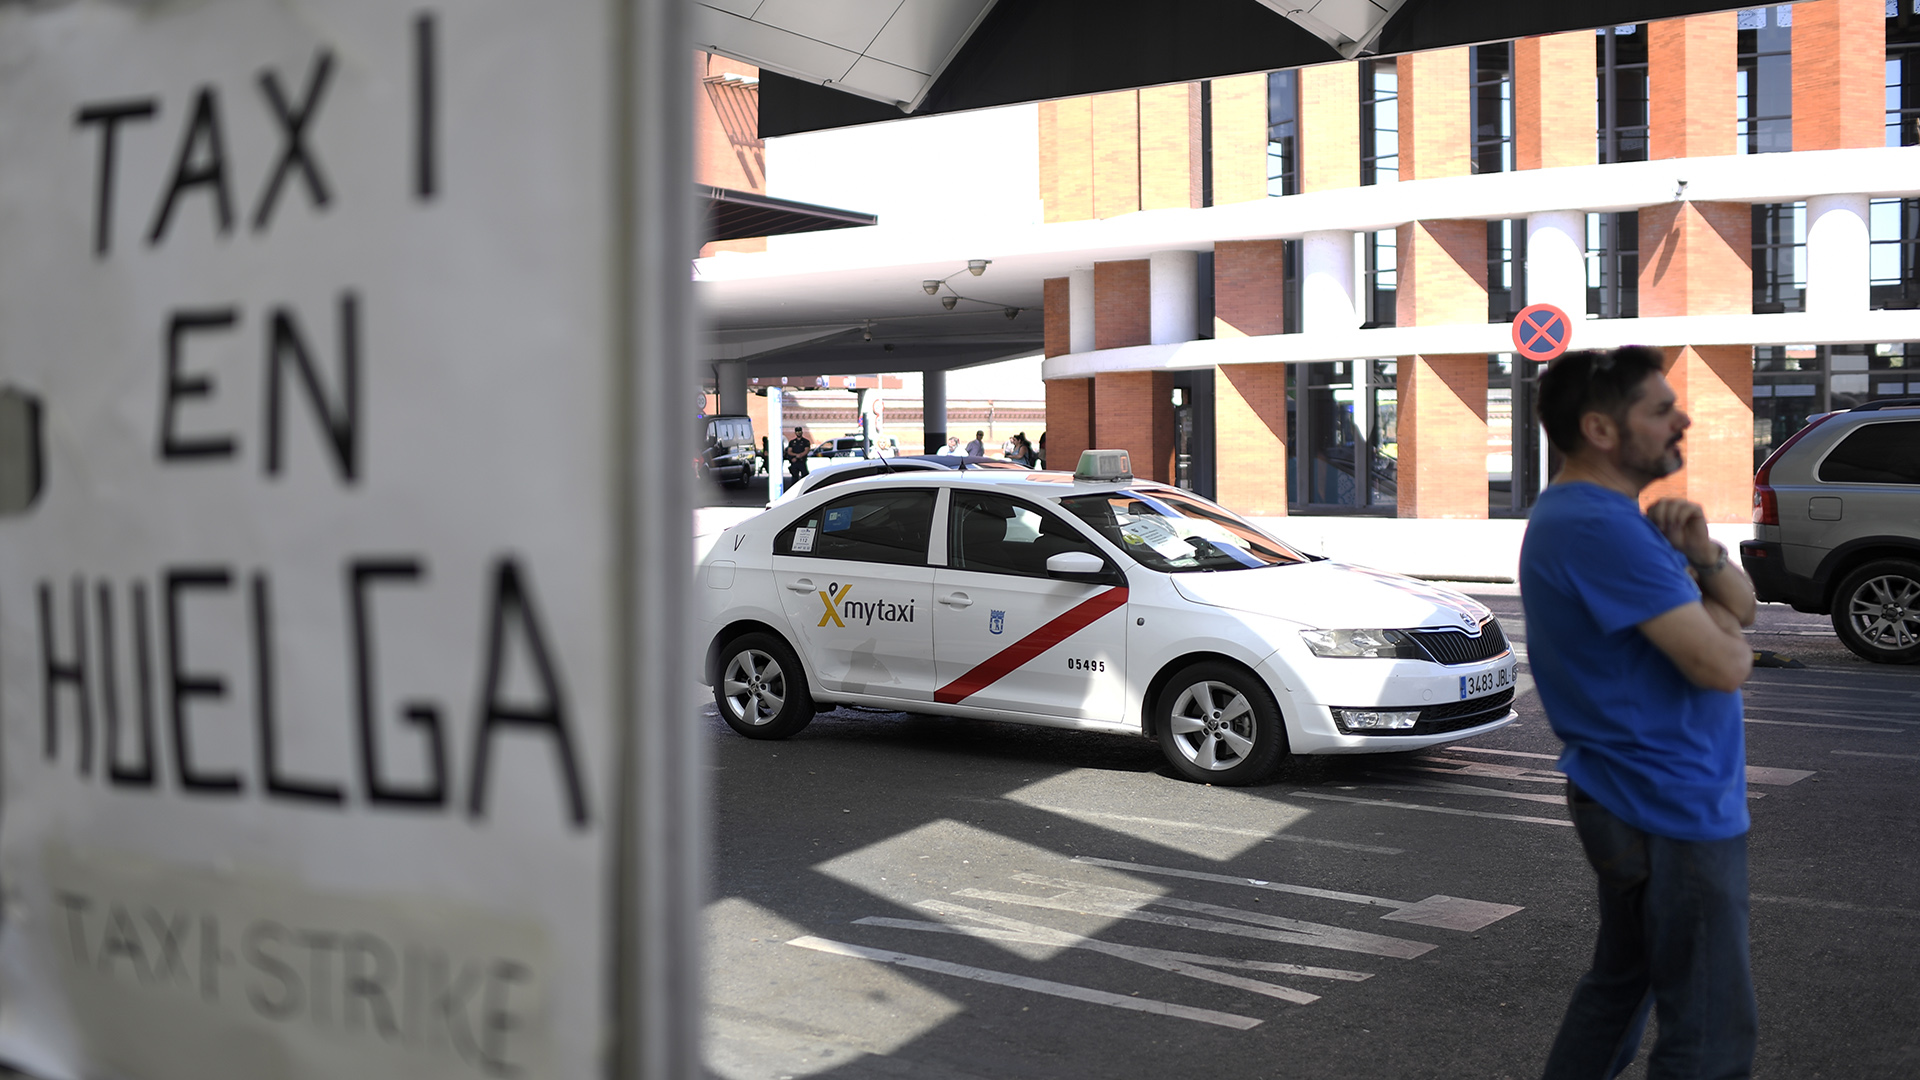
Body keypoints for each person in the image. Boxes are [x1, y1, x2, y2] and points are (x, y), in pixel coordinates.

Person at [1520, 347, 1759, 1080]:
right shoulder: (1600, 528)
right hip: (1667, 802)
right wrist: (1707, 615)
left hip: (1637, 793)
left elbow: (1744, 611)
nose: (1681, 418)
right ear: (1599, 428)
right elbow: (1726, 663)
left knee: (1622, 988)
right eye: (1659, 408)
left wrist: (1701, 556)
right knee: (1711, 1027)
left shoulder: (1607, 518)